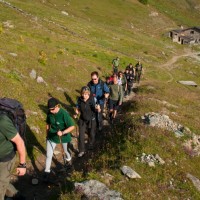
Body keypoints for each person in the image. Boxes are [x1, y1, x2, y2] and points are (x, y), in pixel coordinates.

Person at [44, 98, 75, 179]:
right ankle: (47, 172)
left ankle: (68, 161)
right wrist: (47, 135)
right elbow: (48, 124)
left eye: (52, 109)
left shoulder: (64, 113)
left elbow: (72, 126)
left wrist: (63, 132)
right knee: (48, 155)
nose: (51, 111)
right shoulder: (49, 113)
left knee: (65, 151)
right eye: (49, 109)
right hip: (52, 136)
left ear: (57, 106)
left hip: (64, 136)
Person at [0, 114, 26, 200]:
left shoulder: (2, 121)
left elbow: (19, 142)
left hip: (6, 159)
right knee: (3, 182)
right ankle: (16, 195)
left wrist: (22, 165)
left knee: (1, 184)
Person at [74, 86, 101, 157]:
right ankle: (81, 150)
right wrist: (76, 113)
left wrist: (98, 109)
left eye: (86, 94)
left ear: (89, 94)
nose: (84, 95)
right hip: (82, 119)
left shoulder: (92, 99)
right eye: (83, 94)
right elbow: (77, 107)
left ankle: (91, 144)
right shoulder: (79, 100)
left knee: (91, 134)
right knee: (81, 135)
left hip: (91, 120)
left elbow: (96, 108)